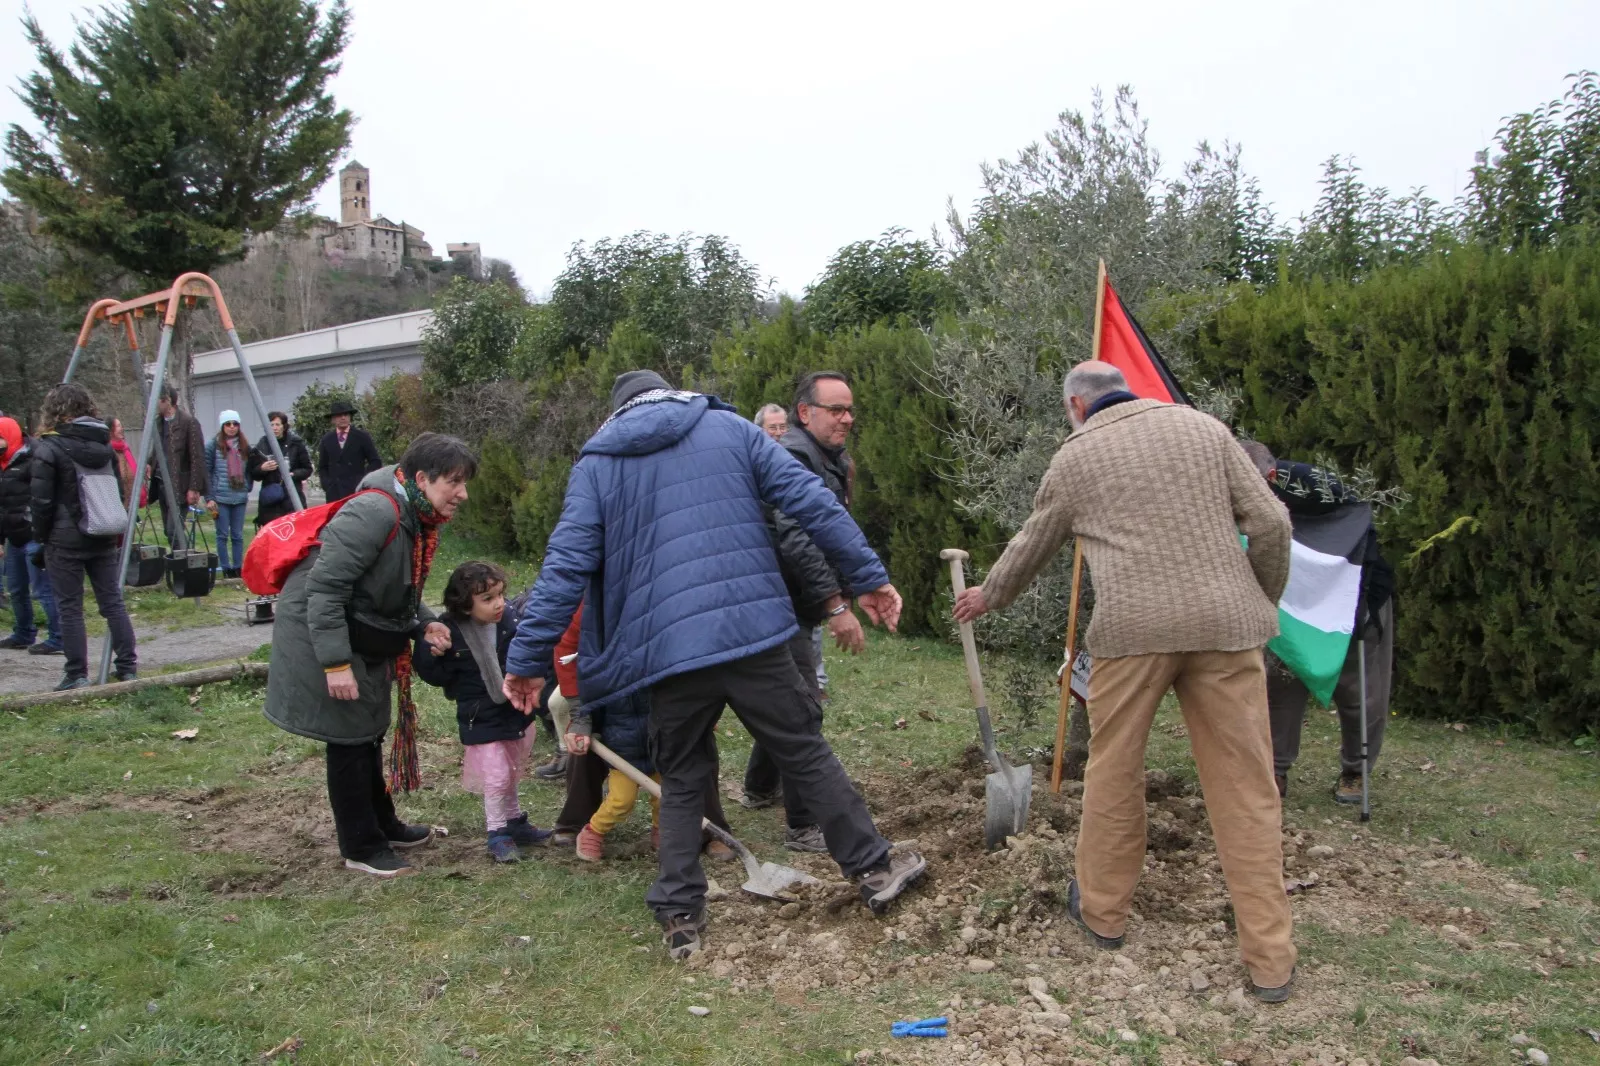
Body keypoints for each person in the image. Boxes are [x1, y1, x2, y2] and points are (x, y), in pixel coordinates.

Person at [503, 369, 925, 961]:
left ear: (619, 413)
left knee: (681, 775)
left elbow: (563, 570)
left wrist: (525, 659)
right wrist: (869, 577)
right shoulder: (731, 429)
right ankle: (874, 869)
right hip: (753, 635)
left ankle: (679, 909)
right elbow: (813, 503)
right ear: (669, 395)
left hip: (670, 653)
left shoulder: (596, 466)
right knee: (802, 750)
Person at [952, 360, 1298, 1003]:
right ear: (1127, 390)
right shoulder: (1203, 428)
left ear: (1076, 408)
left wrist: (988, 595)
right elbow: (1272, 524)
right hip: (1229, 628)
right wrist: (1260, 599)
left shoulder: (1076, 455)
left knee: (1114, 773)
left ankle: (1104, 917)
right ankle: (1271, 960)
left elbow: (1032, 545)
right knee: (1247, 789)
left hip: (1131, 634)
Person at [263, 432, 476, 878]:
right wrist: (336, 664)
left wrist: (424, 622)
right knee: (349, 739)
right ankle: (360, 845)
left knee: (367, 732)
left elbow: (395, 586)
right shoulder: (375, 512)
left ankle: (383, 824)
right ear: (422, 477)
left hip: (352, 630)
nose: (463, 493)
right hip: (321, 633)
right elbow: (325, 589)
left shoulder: (413, 514)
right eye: (454, 482)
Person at [741, 371, 865, 842]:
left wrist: (849, 588)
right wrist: (835, 604)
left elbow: (836, 530)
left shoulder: (826, 456)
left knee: (787, 697)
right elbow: (797, 538)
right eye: (836, 409)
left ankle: (758, 787)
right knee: (802, 706)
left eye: (850, 409)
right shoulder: (791, 455)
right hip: (777, 600)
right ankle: (803, 822)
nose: (847, 418)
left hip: (789, 600)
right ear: (805, 412)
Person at [1237, 441, 1395, 804]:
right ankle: (1274, 770)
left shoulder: (1313, 485)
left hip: (1355, 594)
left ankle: (1356, 771)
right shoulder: (1228, 490)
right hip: (1290, 604)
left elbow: (1360, 520)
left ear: (1271, 476)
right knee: (1280, 682)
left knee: (1358, 689)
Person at [413, 560, 555, 863]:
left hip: (514, 712)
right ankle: (497, 833)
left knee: (512, 770)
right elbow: (435, 674)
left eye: (501, 595)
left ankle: (515, 821)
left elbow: (528, 655)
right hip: (480, 716)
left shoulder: (508, 622)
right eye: (487, 599)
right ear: (465, 604)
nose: (498, 604)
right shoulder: (450, 631)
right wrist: (429, 650)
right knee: (496, 776)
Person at [28, 384, 138, 689]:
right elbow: (115, 491)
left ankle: (77, 673)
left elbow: (41, 502)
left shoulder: (48, 448)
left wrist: (41, 538)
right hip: (102, 531)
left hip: (65, 538)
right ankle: (128, 666)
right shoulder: (104, 446)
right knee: (112, 602)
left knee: (70, 606)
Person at [0, 416, 62, 655]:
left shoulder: (34, 457)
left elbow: (42, 495)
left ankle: (58, 637)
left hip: (33, 535)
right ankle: (23, 632)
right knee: (16, 588)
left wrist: (39, 529)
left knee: (42, 590)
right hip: (12, 536)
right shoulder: (3, 464)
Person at [150, 384, 207, 548]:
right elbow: (157, 450)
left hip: (180, 485)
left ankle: (185, 565)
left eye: (158, 402)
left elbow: (197, 457)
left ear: (167, 401)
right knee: (169, 531)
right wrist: (149, 464)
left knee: (173, 528)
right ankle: (181, 561)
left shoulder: (188, 423)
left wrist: (194, 487)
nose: (155, 406)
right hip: (162, 484)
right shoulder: (159, 423)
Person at [204, 411, 250, 579]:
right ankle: (225, 568)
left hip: (239, 496)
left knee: (237, 535)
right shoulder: (212, 445)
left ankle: (238, 567)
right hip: (220, 496)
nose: (232, 427)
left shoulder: (244, 446)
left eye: (235, 424)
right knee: (222, 534)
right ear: (222, 426)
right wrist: (209, 497)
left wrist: (247, 486)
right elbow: (207, 472)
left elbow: (249, 470)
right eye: (228, 424)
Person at [247, 410, 313, 528]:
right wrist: (262, 468)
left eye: (278, 424)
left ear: (284, 426)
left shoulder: (296, 443)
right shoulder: (261, 444)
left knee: (295, 531)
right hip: (271, 498)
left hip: (292, 495)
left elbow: (307, 469)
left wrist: (293, 474)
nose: (274, 428)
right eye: (271, 425)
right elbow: (254, 474)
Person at [316, 399, 382, 503]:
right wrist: (327, 485)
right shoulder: (327, 439)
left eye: (346, 414)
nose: (343, 417)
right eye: (339, 415)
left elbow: (375, 462)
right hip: (334, 494)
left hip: (356, 492)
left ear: (350, 416)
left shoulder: (362, 437)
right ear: (333, 419)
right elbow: (322, 467)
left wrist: (363, 481)